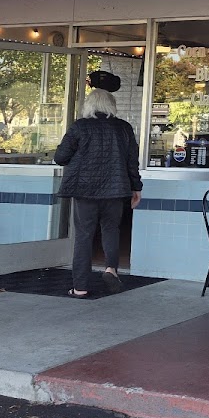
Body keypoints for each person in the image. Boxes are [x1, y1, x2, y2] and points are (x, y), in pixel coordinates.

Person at [53, 70, 142, 297]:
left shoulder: (80, 127)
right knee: (111, 229)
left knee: (83, 235)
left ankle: (80, 287)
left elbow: (61, 157)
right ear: (112, 105)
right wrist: (136, 188)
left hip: (84, 190)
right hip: (115, 190)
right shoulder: (124, 128)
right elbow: (132, 161)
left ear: (89, 105)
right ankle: (111, 268)